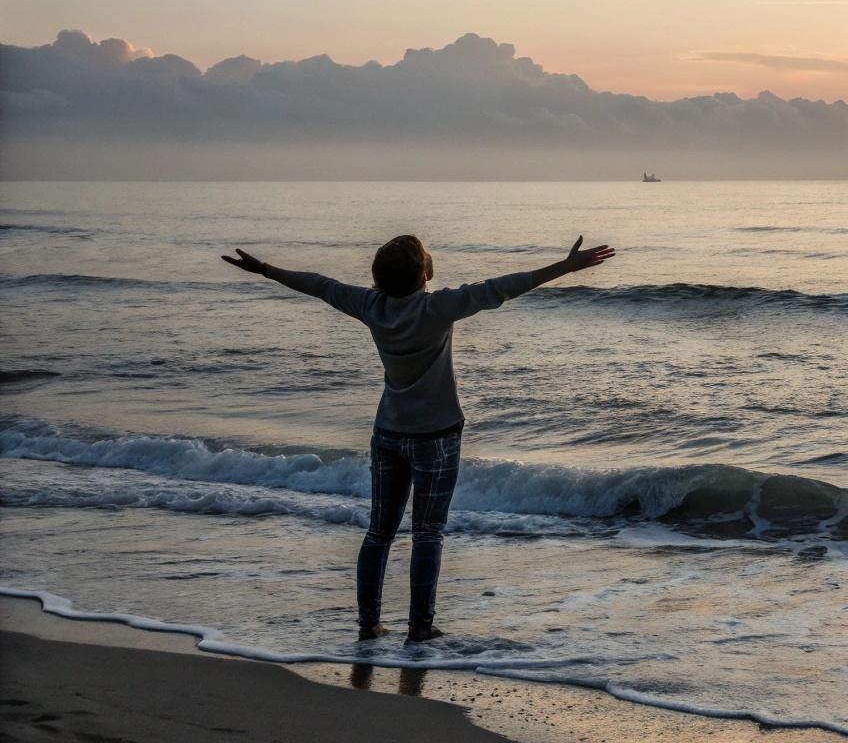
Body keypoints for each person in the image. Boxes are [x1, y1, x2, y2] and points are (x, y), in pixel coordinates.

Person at [220, 234, 616, 642]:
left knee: (379, 532)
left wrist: (266, 269)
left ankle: (369, 624)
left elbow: (320, 285)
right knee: (428, 532)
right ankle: (420, 626)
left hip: (388, 432)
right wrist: (566, 267)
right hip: (436, 435)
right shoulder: (437, 307)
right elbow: (504, 287)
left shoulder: (371, 306)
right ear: (424, 273)